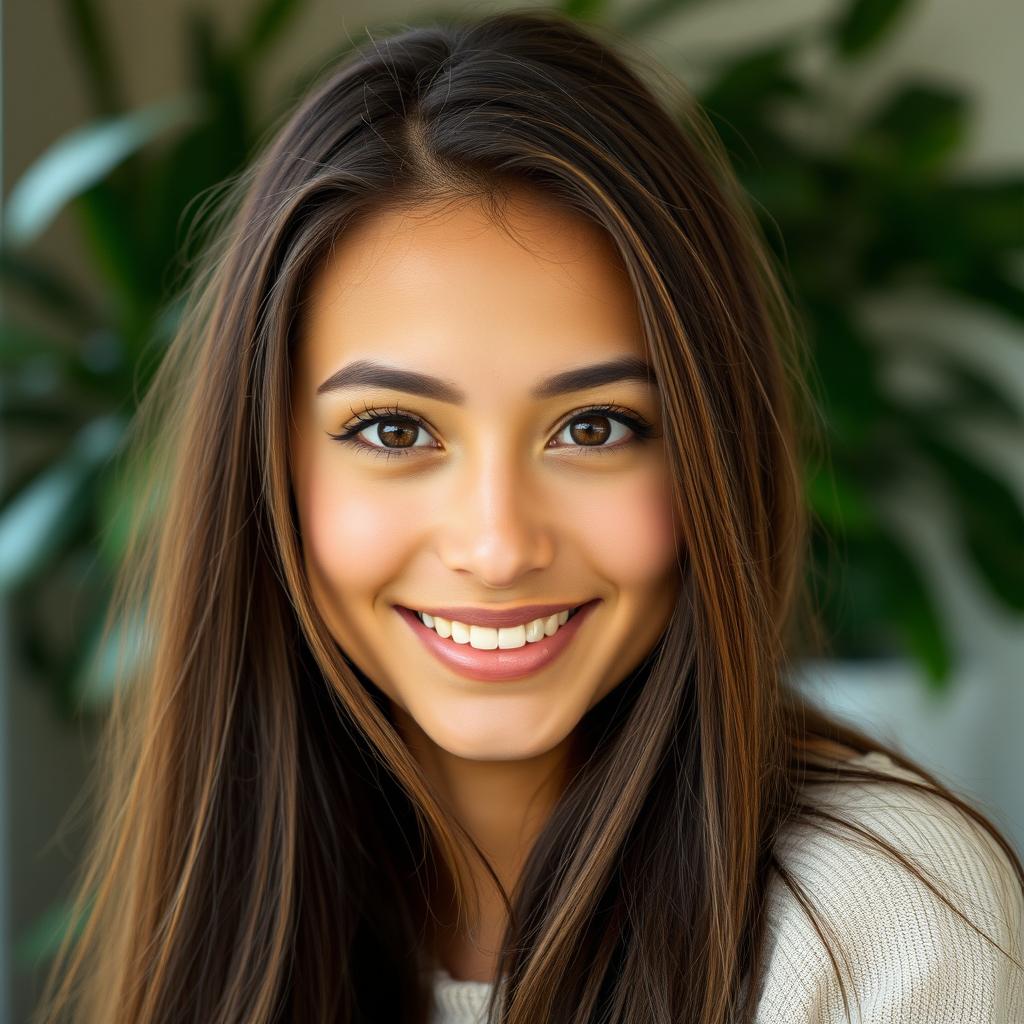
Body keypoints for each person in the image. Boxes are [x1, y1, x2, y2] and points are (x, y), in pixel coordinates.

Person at [35, 9, 1023, 1024]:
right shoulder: (235, 891)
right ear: (269, 469)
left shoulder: (878, 924)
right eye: (390, 431)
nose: (498, 545)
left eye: (593, 428)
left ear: (710, 455)